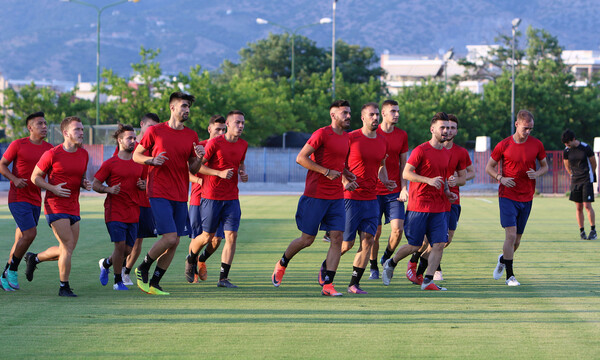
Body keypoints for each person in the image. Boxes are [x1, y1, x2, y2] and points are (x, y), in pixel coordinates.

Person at [271, 100, 354, 297]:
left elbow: (337, 163)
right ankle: (283, 262)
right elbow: (301, 158)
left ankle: (328, 284)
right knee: (307, 239)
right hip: (315, 195)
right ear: (333, 115)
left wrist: (345, 173)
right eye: (344, 113)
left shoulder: (347, 138)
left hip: (336, 197)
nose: (348, 116)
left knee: (337, 238)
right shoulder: (322, 134)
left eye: (350, 112)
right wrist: (325, 172)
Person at [133, 92, 204, 295]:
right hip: (158, 191)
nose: (187, 110)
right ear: (172, 108)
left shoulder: (191, 135)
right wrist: (151, 160)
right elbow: (137, 156)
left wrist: (199, 158)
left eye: (189, 106)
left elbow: (193, 168)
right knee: (170, 237)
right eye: (183, 106)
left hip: (181, 194)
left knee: (175, 241)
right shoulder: (155, 131)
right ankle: (143, 267)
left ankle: (155, 282)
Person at [382, 112, 457, 291]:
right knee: (415, 245)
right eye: (443, 127)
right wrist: (428, 180)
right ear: (432, 129)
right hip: (419, 206)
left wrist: (447, 192)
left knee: (439, 244)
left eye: (448, 127)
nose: (446, 131)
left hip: (439, 207)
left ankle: (428, 281)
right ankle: (391, 263)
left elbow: (444, 178)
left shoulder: (447, 153)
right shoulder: (421, 150)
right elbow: (406, 173)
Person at [28, 116, 91, 297]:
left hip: (74, 205)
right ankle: (64, 287)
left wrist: (84, 184)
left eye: (82, 129)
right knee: (68, 245)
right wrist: (53, 188)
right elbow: (35, 177)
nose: (81, 132)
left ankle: (35, 258)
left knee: (67, 249)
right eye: (77, 129)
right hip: (54, 206)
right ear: (65, 133)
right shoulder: (52, 153)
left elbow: (79, 178)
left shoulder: (84, 154)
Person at [486, 110, 548, 286]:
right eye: (526, 128)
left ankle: (503, 259)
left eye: (531, 129)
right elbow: (489, 167)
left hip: (527, 196)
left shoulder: (537, 145)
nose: (528, 132)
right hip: (507, 196)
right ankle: (510, 276)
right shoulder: (504, 145)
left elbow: (545, 167)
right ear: (517, 124)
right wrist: (500, 178)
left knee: (517, 240)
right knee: (511, 235)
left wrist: (536, 173)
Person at [187, 110, 248, 288]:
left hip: (232, 198)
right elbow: (198, 168)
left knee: (231, 236)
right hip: (211, 197)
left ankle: (223, 278)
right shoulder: (214, 143)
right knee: (207, 236)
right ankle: (191, 258)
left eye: (243, 123)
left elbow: (241, 163)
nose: (241, 126)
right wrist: (218, 173)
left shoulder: (243, 144)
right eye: (237, 122)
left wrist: (243, 173)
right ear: (228, 124)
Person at [340, 102, 396, 294]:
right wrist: (344, 182)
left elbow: (381, 165)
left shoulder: (382, 140)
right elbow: (338, 163)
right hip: (351, 198)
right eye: (371, 115)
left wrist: (386, 181)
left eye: (376, 115)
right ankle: (326, 267)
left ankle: (353, 284)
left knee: (368, 241)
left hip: (372, 199)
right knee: (346, 244)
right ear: (362, 117)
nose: (375, 118)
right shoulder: (350, 138)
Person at [409, 113, 473, 282]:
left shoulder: (460, 152)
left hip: (453, 201)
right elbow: (409, 171)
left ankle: (421, 269)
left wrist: (456, 180)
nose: (448, 131)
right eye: (445, 127)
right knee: (431, 240)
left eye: (452, 128)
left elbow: (468, 174)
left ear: (456, 131)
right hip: (431, 202)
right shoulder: (427, 149)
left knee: (445, 240)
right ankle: (422, 270)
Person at [0, 112, 53, 291]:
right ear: (30, 128)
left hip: (36, 198)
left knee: (21, 239)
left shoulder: (49, 148)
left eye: (45, 123)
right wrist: (14, 179)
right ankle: (13, 270)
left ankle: (4, 275)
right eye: (40, 124)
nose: (44, 126)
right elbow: (2, 165)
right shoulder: (18, 144)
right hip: (18, 197)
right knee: (30, 234)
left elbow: (54, 172)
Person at [94, 124, 144, 290]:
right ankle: (117, 281)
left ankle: (106, 263)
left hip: (134, 210)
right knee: (120, 246)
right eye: (129, 138)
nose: (133, 141)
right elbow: (95, 184)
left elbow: (144, 183)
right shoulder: (110, 163)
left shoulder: (140, 162)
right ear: (119, 140)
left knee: (128, 250)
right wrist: (108, 189)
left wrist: (143, 185)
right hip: (114, 211)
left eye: (134, 138)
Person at [369, 99, 408, 280]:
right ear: (383, 113)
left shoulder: (402, 135)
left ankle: (386, 257)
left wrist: (404, 188)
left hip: (394, 192)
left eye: (398, 111)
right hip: (374, 192)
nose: (397, 114)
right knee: (374, 233)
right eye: (393, 111)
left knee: (398, 230)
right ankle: (373, 266)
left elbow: (403, 165)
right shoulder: (372, 134)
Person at [186, 114, 227, 283]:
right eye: (217, 129)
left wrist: (242, 172)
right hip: (198, 198)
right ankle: (192, 265)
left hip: (218, 199)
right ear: (209, 129)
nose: (220, 133)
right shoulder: (199, 146)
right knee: (200, 237)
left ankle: (201, 260)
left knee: (216, 240)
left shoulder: (226, 146)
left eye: (223, 130)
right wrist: (198, 180)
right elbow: (187, 171)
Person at [121, 113, 159, 285]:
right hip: (128, 200)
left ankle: (125, 271)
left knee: (138, 242)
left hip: (145, 200)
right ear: (142, 124)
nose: (152, 130)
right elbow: (118, 167)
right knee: (127, 242)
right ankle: (115, 266)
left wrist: (148, 183)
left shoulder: (156, 147)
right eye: (150, 126)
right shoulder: (130, 145)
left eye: (155, 127)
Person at [562, 129, 597, 240]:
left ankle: (593, 230)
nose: (567, 145)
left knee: (587, 205)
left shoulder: (586, 148)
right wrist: (572, 174)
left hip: (586, 179)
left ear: (573, 139)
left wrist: (590, 174)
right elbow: (566, 165)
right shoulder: (567, 150)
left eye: (568, 143)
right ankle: (582, 231)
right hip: (575, 180)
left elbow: (593, 163)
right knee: (578, 207)